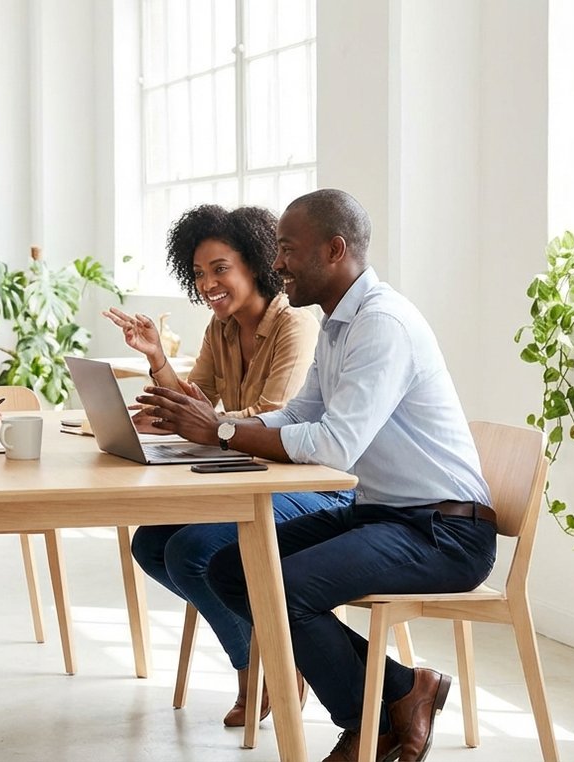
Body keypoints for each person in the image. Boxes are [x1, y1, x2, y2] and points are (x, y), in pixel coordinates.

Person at [137, 189, 494, 762]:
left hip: (443, 531)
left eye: (287, 250)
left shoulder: (382, 325)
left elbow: (335, 445)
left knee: (287, 589)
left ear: (335, 250)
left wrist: (222, 432)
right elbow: (301, 415)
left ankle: (366, 726)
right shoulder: (337, 325)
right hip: (384, 514)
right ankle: (404, 688)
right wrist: (216, 422)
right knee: (234, 569)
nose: (276, 263)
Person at [103, 204, 352, 727]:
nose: (208, 283)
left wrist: (198, 420)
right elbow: (200, 402)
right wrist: (156, 362)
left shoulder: (296, 326)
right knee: (150, 543)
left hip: (309, 486)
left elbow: (272, 421)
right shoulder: (221, 328)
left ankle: (258, 669)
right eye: (198, 273)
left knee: (193, 550)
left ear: (256, 263)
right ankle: (260, 639)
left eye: (220, 268)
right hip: (249, 481)